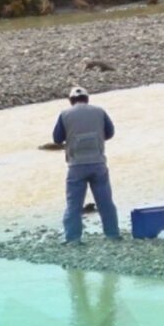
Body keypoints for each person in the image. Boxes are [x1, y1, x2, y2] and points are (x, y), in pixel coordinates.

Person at [53, 87, 121, 244]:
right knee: (105, 202)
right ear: (87, 98)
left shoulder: (64, 114)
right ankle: (112, 235)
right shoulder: (99, 111)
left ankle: (73, 238)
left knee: (73, 205)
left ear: (71, 100)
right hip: (98, 163)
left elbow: (57, 138)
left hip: (76, 165)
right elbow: (110, 133)